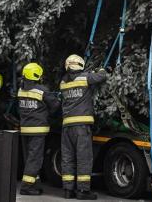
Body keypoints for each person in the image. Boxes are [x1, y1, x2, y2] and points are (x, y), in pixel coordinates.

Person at [60, 54, 107, 200]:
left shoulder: (63, 82)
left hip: (67, 126)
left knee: (67, 158)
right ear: (80, 65)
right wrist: (101, 69)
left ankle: (68, 190)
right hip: (81, 127)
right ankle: (83, 191)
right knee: (83, 157)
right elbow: (101, 76)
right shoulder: (85, 78)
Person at [18, 62, 60, 196]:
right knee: (35, 158)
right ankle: (26, 187)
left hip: (25, 129)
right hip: (38, 129)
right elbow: (55, 106)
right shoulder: (42, 90)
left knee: (29, 158)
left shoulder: (21, 90)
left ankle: (34, 183)